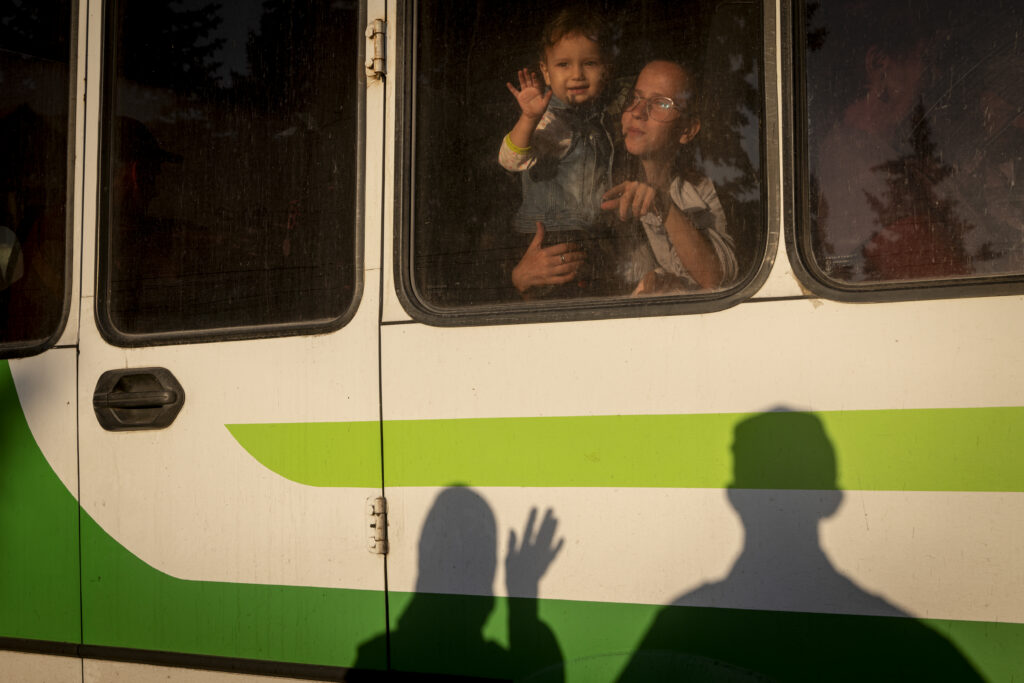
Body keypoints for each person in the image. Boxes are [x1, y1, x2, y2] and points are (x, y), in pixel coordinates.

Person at [501, 8, 617, 298]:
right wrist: (528, 118)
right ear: (546, 72)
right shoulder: (548, 121)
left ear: (605, 68)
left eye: (589, 63)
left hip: (588, 237)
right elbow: (510, 160)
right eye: (563, 64)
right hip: (550, 239)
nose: (577, 74)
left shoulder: (601, 121)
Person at [600, 60, 737, 294]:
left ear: (687, 130)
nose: (638, 112)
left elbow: (715, 278)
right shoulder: (601, 179)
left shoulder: (702, 191)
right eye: (635, 98)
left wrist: (664, 207)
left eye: (661, 103)